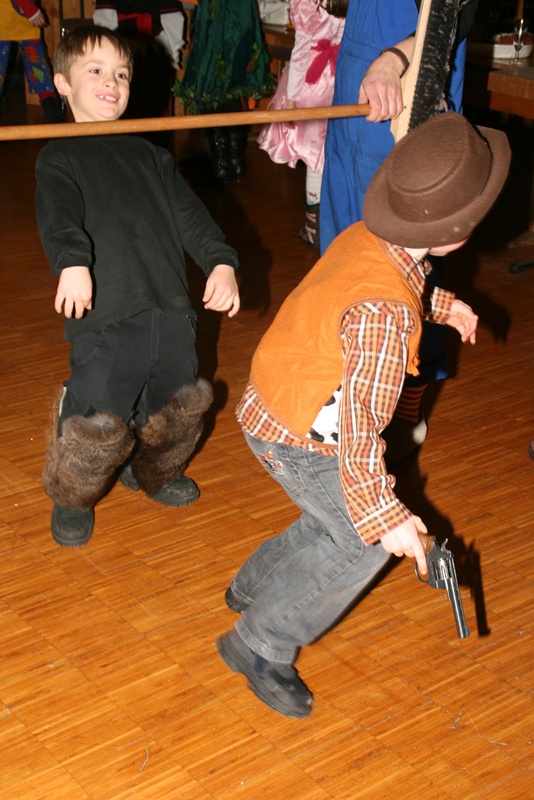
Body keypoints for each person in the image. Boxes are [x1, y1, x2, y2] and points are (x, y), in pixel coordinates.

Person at [216, 112, 510, 718]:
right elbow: (359, 434)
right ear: (459, 234)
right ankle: (260, 642)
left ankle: (252, 587)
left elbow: (392, 281)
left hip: (273, 394)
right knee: (361, 538)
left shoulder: (367, 237)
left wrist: (442, 305)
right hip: (297, 435)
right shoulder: (386, 318)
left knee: (332, 517)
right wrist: (385, 517)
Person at [35, 25, 240, 548]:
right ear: (63, 83)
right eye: (96, 71)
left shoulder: (152, 156)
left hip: (169, 304)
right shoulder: (59, 156)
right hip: (106, 309)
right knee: (98, 405)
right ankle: (73, 494)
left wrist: (219, 261)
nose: (112, 83)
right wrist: (72, 263)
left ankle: (153, 470)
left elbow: (191, 216)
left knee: (174, 399)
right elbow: (59, 217)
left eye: (121, 74)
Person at [320, 0, 480, 464]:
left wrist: (394, 58)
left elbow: (458, 15)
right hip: (358, 95)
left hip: (412, 92)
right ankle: (341, 397)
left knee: (409, 262)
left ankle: (402, 412)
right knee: (343, 255)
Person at [257, 0, 347, 247]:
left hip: (311, 80)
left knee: (313, 158)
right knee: (331, 154)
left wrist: (291, 97)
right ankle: (332, 222)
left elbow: (301, 50)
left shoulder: (308, 3)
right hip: (340, 78)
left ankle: (313, 227)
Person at [175, 0, 275, 182]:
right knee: (232, 81)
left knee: (212, 80)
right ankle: (235, 162)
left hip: (219, 14)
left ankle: (222, 164)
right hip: (240, 12)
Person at [0, 0, 63, 122]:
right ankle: (54, 115)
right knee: (37, 65)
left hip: (22, 19)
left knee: (37, 66)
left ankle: (53, 115)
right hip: (12, 14)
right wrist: (30, 9)